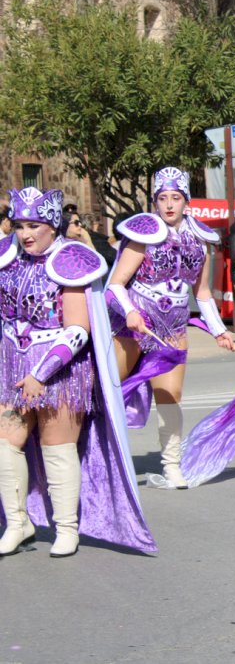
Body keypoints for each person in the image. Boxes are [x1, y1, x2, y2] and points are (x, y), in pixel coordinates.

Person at [0, 187, 156, 557]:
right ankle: (18, 522)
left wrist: (41, 373)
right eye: (20, 225)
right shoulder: (7, 257)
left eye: (35, 225)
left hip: (60, 373)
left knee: (58, 449)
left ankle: (66, 528)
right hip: (12, 370)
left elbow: (77, 330)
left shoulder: (69, 260)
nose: (26, 234)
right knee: (5, 446)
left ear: (52, 226)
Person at [107, 167, 235, 489]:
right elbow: (115, 285)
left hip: (173, 325)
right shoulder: (143, 234)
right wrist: (130, 312)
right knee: (108, 390)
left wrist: (219, 330)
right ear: (154, 201)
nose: (168, 205)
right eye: (162, 198)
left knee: (171, 395)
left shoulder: (201, 238)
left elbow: (202, 293)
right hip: (134, 324)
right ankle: (100, 457)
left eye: (175, 198)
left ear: (186, 201)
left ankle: (172, 465)